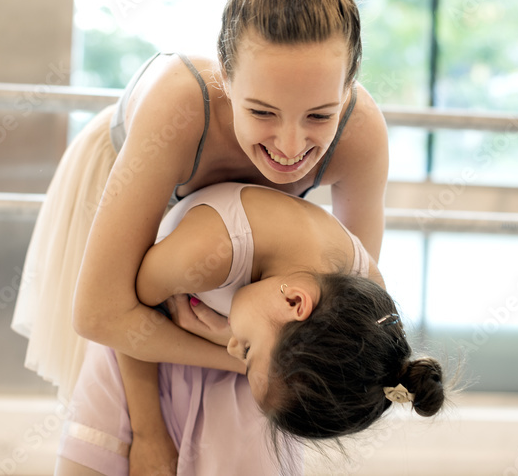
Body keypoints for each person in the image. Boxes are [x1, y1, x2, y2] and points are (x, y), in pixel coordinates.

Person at [12, 0, 389, 395]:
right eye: (262, 112)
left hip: (229, 259)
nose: (291, 148)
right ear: (225, 79)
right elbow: (103, 313)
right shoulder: (180, 108)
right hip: (125, 174)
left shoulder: (361, 135)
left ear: (349, 86)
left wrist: (254, 347)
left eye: (319, 115)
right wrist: (244, 356)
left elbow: (350, 310)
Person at [56, 182, 447, 475]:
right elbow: (124, 315)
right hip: (143, 359)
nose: (232, 349)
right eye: (246, 350)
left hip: (241, 390)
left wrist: (231, 342)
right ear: (294, 301)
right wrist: (149, 433)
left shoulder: (360, 303)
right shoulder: (210, 252)